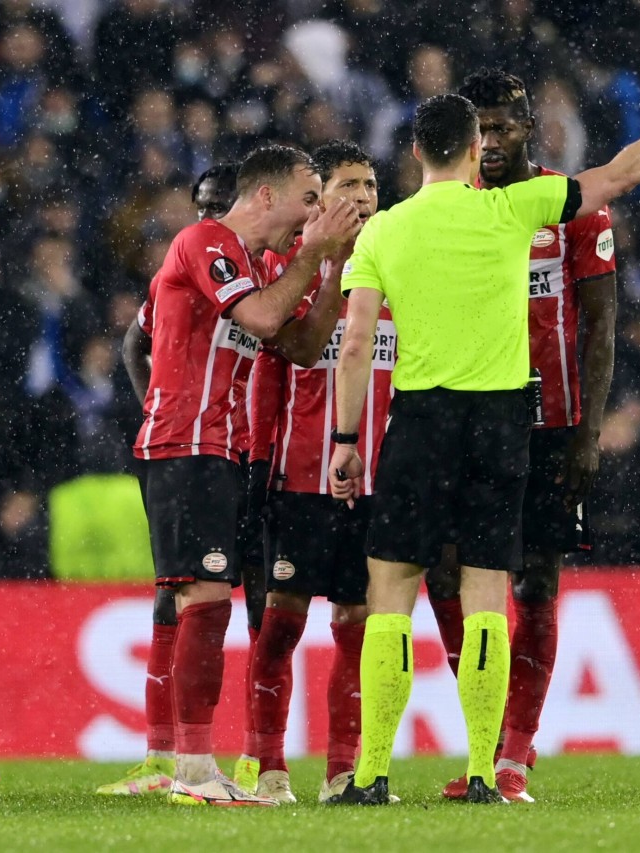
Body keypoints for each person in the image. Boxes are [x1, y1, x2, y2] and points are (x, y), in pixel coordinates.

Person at [327, 58, 640, 806]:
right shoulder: (517, 212)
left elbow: (358, 341)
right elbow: (621, 172)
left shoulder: (389, 228)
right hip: (505, 424)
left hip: (425, 420)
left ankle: (372, 771)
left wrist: (345, 439)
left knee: (393, 589)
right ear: (465, 147)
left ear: (417, 152)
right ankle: (490, 768)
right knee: (491, 590)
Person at [134, 144, 361, 807]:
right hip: (186, 444)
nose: (314, 213)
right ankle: (195, 769)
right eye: (309, 198)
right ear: (266, 196)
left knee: (206, 599)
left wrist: (332, 264)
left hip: (221, 450)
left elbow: (300, 344)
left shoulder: (255, 265)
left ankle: (193, 765)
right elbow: (261, 318)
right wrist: (316, 253)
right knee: (201, 599)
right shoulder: (206, 241)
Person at [425, 68, 619, 804]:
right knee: (447, 574)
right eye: (480, 129)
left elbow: (600, 325)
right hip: (471, 420)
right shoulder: (449, 209)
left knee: (535, 581)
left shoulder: (570, 209)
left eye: (503, 126)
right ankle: (489, 736)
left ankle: (513, 753)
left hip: (552, 425)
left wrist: (589, 432)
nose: (492, 141)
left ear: (528, 126)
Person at [245, 140, 391, 805]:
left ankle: (342, 771)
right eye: (346, 185)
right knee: (281, 623)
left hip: (374, 479)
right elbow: (290, 353)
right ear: (318, 198)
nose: (362, 195)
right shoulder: (285, 270)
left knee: (357, 623)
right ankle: (269, 766)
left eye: (370, 183)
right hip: (298, 474)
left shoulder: (399, 265)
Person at [99, 162, 242, 798]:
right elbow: (135, 343)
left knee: (236, 597)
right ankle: (174, 759)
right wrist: (161, 403)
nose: (210, 216)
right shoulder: (198, 261)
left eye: (221, 204)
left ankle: (258, 759)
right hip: (196, 445)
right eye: (202, 205)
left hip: (246, 447)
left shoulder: (259, 264)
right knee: (185, 592)